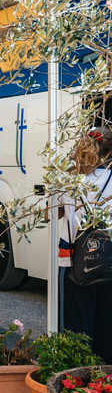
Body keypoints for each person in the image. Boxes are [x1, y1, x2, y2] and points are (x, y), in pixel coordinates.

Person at [59, 128, 112, 363]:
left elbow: (58, 215)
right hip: (109, 259)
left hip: (75, 259)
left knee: (78, 322)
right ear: (109, 153)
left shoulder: (70, 181)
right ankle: (105, 378)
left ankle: (77, 374)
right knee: (107, 323)